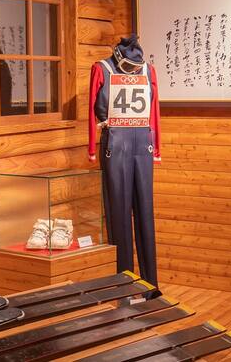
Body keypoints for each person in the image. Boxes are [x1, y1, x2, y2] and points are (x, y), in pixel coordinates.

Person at [88, 35, 162, 298]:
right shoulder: (102, 68)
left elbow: (154, 111)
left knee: (142, 212)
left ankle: (146, 286)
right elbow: (92, 110)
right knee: (122, 214)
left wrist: (156, 146)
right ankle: (127, 286)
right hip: (119, 141)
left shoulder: (147, 70)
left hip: (138, 141)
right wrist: (91, 147)